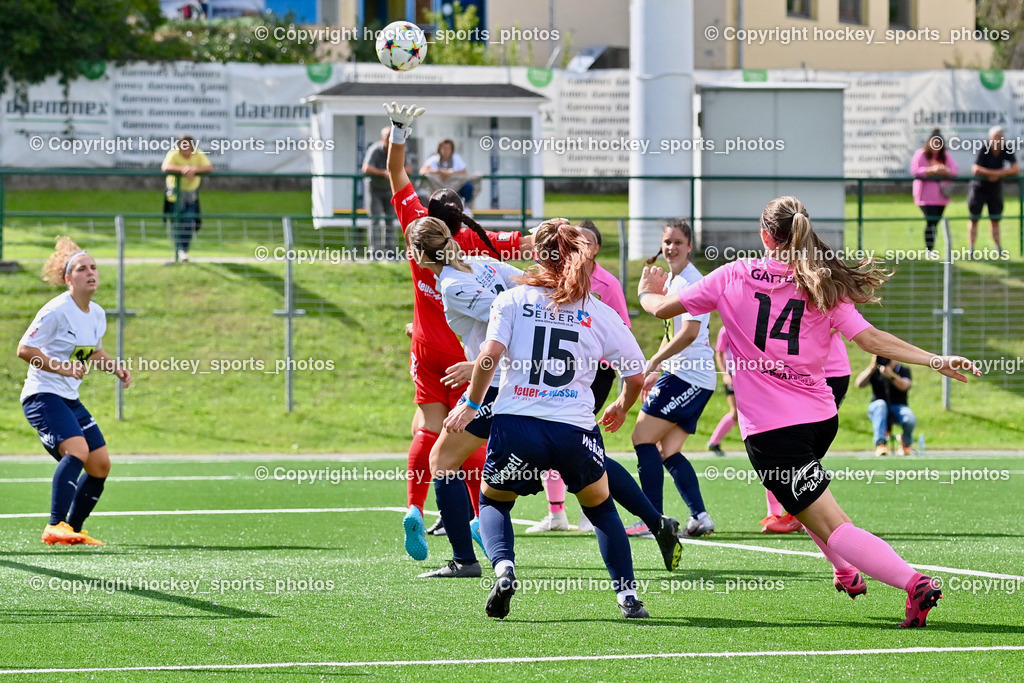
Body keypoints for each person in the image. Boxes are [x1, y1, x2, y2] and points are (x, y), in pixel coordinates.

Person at [637, 195, 979, 628]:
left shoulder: (732, 275)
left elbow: (662, 308)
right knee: (805, 503)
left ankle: (915, 583)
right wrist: (936, 359)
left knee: (831, 521)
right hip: (820, 419)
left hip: (774, 431)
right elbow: (871, 340)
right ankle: (843, 569)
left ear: (764, 236)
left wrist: (647, 291)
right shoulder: (819, 282)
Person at [444, 220, 657, 620]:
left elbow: (488, 357)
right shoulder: (598, 310)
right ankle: (627, 596)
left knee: (494, 502)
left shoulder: (511, 300)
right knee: (602, 510)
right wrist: (623, 406)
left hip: (517, 423)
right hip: (574, 428)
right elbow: (635, 374)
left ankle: (505, 569)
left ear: (536, 255)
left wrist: (471, 404)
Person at [383, 102, 532, 561]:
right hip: (470, 353)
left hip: (427, 346)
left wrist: (399, 130)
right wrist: (554, 238)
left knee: (429, 428)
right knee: (468, 431)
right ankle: (472, 514)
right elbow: (520, 244)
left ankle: (414, 505)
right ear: (461, 219)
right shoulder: (473, 245)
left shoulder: (415, 230)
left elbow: (395, 173)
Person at [406, 216, 523, 577]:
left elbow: (507, 319)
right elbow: (523, 285)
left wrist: (476, 366)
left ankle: (465, 560)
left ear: (418, 254)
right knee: (574, 463)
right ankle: (653, 518)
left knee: (441, 461)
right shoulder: (480, 263)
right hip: (512, 378)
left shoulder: (453, 284)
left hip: (496, 382)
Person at [18, 238, 132, 546]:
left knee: (100, 464)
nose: (90, 273)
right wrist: (63, 368)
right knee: (78, 452)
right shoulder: (56, 310)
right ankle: (55, 525)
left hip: (69, 399)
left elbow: (92, 352)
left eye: (93, 267)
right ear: (69, 279)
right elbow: (24, 349)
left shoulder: (96, 313)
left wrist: (116, 368)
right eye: (82, 269)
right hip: (42, 395)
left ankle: (74, 529)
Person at [528, 220, 631, 534]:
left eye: (586, 242)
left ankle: (592, 511)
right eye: (574, 241)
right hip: (560, 369)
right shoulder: (555, 279)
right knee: (551, 435)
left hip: (596, 371)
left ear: (596, 248)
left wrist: (624, 386)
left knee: (578, 438)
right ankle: (557, 515)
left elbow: (622, 330)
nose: (579, 247)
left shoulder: (607, 284)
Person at [627, 219, 716, 539]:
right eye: (667, 242)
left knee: (642, 439)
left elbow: (691, 333)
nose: (671, 247)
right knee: (667, 451)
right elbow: (674, 332)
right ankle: (700, 517)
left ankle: (652, 520)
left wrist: (656, 360)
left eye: (678, 242)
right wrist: (656, 369)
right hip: (686, 375)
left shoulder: (693, 282)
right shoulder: (676, 282)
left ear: (690, 246)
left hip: (688, 376)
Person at [967, 125, 1019, 254]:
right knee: (974, 219)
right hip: (979, 188)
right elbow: (976, 168)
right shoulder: (984, 148)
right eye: (996, 137)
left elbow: (1015, 168)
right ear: (990, 138)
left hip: (995, 189)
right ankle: (971, 249)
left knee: (995, 219)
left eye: (1001, 137)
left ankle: (998, 248)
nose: (999, 139)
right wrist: (993, 173)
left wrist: (997, 174)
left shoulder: (1006, 149)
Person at [162, 135, 213, 263]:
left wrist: (194, 170)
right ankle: (178, 250)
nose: (186, 150)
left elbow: (209, 167)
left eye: (189, 147)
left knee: (189, 220)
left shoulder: (198, 154)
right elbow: (166, 166)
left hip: (191, 193)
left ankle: (183, 250)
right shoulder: (173, 154)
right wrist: (183, 170)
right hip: (174, 193)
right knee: (176, 222)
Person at [855, 356, 915, 456]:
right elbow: (859, 384)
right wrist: (872, 367)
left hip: (898, 406)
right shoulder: (875, 369)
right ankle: (880, 443)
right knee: (881, 404)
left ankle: (905, 442)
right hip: (878, 407)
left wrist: (891, 376)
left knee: (909, 418)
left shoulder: (903, 370)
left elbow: (905, 386)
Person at [911, 129, 957, 252]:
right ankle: (929, 249)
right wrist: (931, 170)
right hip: (925, 197)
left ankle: (930, 249)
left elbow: (954, 170)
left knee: (935, 222)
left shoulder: (944, 156)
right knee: (931, 221)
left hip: (940, 197)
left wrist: (945, 170)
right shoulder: (921, 154)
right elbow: (915, 171)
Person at [362, 126, 399, 254]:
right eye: (388, 136)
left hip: (390, 190)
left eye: (392, 136)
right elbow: (366, 168)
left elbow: (409, 167)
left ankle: (390, 251)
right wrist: (383, 173)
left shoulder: (397, 149)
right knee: (375, 220)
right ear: (382, 138)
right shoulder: (375, 150)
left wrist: (394, 172)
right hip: (374, 189)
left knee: (390, 219)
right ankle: (375, 251)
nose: (390, 139)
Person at [420, 139, 474, 207]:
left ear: (452, 150)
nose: (446, 151)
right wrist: (440, 172)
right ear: (439, 149)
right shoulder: (434, 159)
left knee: (468, 186)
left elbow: (464, 171)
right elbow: (423, 170)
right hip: (437, 189)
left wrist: (450, 173)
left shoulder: (456, 159)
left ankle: (466, 207)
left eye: (448, 149)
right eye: (444, 148)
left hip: (455, 189)